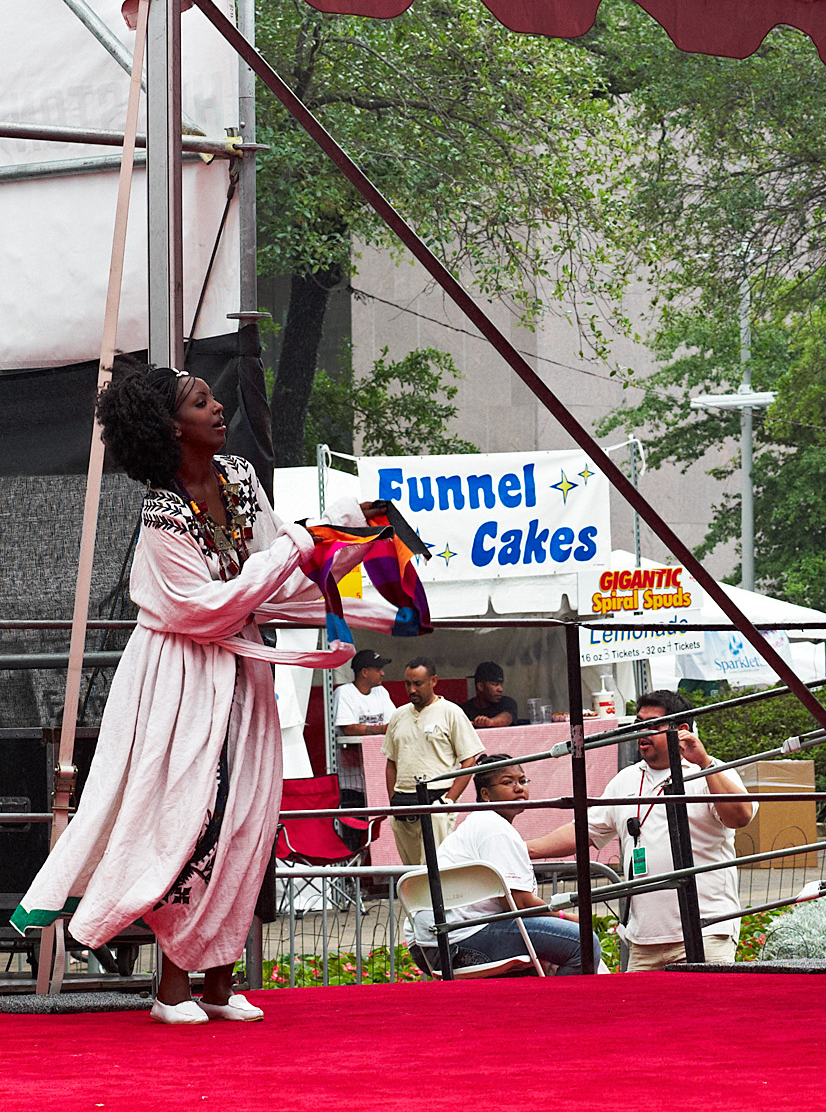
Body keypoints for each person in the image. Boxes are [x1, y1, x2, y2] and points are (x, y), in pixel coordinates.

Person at [9, 365, 402, 1025]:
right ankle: (171, 988)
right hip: (178, 679)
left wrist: (346, 556)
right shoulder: (162, 517)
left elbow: (273, 574)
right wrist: (302, 546)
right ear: (171, 426)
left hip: (241, 674)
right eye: (202, 401)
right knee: (191, 821)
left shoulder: (241, 480)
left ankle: (218, 982)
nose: (219, 408)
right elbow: (207, 608)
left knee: (247, 820)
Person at [525, 690, 754, 970]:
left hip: (706, 931)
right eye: (638, 722)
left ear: (681, 730)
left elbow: (740, 816)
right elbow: (584, 831)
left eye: (653, 724)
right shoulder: (626, 779)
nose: (641, 731)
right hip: (644, 939)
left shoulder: (709, 771)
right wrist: (524, 850)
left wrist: (704, 763)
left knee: (706, 1013)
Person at [405, 755, 603, 976]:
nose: (518, 788)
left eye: (523, 780)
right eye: (508, 782)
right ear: (486, 794)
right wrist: (566, 917)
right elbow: (519, 904)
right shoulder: (495, 827)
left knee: (541, 954)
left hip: (432, 943)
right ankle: (564, 1009)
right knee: (583, 942)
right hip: (456, 941)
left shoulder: (478, 823)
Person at [383, 657, 484, 864]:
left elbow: (469, 761)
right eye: (407, 683)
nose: (412, 690)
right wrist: (392, 798)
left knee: (436, 870)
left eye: (418, 683)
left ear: (433, 681)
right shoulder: (398, 715)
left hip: (437, 799)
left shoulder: (452, 712)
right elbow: (391, 762)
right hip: (403, 801)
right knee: (410, 872)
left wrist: (448, 801)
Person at [332, 649, 395, 739]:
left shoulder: (381, 691)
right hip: (351, 751)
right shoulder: (344, 692)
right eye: (378, 670)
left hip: (379, 750)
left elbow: (393, 722)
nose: (382, 673)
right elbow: (348, 729)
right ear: (365, 672)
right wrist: (382, 729)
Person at [465, 660, 519, 728]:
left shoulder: (507, 702)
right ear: (480, 686)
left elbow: (507, 718)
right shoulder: (465, 710)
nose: (500, 689)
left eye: (501, 684)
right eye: (495, 684)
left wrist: (490, 722)